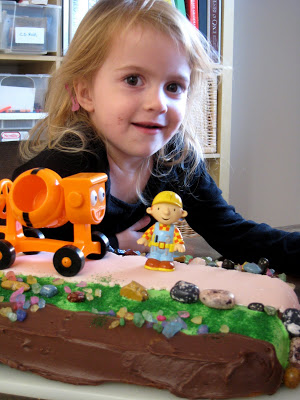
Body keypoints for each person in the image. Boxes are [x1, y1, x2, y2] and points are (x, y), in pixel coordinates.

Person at [12, 0, 299, 277]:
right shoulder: (63, 166)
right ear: (86, 92)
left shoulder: (177, 159)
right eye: (133, 80)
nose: (158, 103)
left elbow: (232, 233)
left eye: (174, 86)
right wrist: (110, 243)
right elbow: (23, 244)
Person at [137, 191, 187, 271]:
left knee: (166, 262)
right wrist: (144, 238)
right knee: (152, 260)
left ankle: (166, 261)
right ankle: (154, 259)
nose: (166, 212)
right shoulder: (155, 226)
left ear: (182, 213)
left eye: (174, 209)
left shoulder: (174, 229)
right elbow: (148, 233)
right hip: (154, 249)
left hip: (167, 251)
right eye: (159, 208)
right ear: (150, 210)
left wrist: (179, 244)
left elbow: (178, 238)